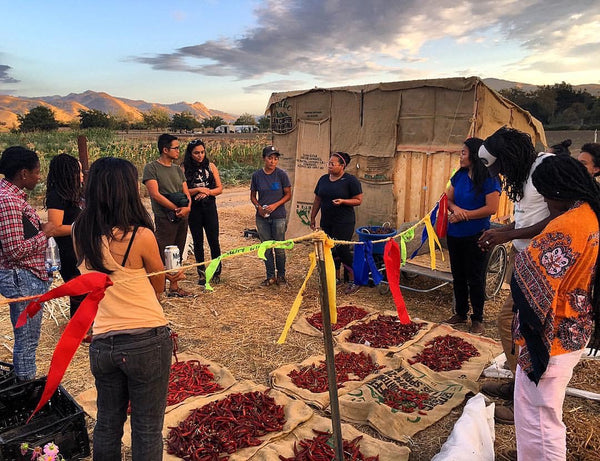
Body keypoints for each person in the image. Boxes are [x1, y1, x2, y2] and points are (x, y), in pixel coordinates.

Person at [74, 157, 171, 461]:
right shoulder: (140, 236)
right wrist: (170, 277)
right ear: (127, 190)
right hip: (146, 341)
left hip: (103, 343)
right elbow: (158, 288)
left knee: (107, 424)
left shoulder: (80, 232)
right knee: (146, 427)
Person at [511, 155, 600, 459]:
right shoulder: (591, 214)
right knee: (542, 416)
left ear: (559, 191)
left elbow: (529, 276)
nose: (547, 204)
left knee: (540, 422)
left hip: (552, 339)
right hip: (573, 330)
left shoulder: (567, 225)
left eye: (547, 195)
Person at [477, 127, 556, 424]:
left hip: (544, 266)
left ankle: (525, 400)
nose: (499, 175)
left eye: (499, 168)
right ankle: (518, 384)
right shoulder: (524, 173)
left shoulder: (545, 168)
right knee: (511, 326)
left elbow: (555, 220)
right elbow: (527, 216)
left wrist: (507, 236)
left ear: (509, 157)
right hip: (525, 262)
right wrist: (503, 231)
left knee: (521, 329)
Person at [0, 146, 55, 382]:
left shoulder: (9, 195)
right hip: (22, 277)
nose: (39, 177)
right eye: (36, 172)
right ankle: (25, 387)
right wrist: (45, 234)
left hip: (25, 276)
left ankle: (24, 379)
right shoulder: (9, 201)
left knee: (26, 336)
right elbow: (14, 251)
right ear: (23, 173)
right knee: (27, 339)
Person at [444, 138, 501, 334]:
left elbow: (492, 208)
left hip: (476, 235)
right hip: (455, 234)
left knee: (475, 277)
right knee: (458, 275)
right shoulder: (459, 176)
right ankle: (460, 313)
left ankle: (477, 318)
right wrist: (457, 210)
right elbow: (448, 199)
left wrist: (465, 215)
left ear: (475, 155)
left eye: (463, 152)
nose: (460, 156)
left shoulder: (489, 178)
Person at [142, 134, 192, 297]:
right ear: (165, 150)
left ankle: (175, 287)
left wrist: (187, 208)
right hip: (165, 218)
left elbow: (186, 192)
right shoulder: (151, 168)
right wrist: (176, 208)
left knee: (177, 250)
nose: (178, 151)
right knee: (162, 252)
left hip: (182, 215)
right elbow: (155, 194)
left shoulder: (178, 169)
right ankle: (158, 289)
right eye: (175, 148)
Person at [310, 152, 363, 295]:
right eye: (329, 163)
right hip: (327, 221)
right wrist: (313, 216)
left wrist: (343, 201)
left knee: (343, 249)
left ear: (342, 165)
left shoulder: (350, 181)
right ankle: (335, 277)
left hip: (344, 222)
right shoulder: (323, 180)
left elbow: (358, 200)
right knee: (330, 248)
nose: (329, 166)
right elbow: (317, 200)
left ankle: (353, 280)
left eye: (333, 164)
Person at [45, 153, 84, 317]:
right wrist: (83, 228)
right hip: (67, 250)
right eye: (79, 171)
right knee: (78, 289)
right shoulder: (57, 196)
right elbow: (54, 228)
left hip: (77, 246)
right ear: (69, 174)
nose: (82, 175)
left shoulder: (73, 194)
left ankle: (85, 323)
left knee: (84, 288)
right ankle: (79, 325)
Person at [182, 139, 223, 285]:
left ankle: (216, 271)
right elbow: (183, 190)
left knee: (214, 240)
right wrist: (199, 189)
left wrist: (208, 192)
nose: (200, 155)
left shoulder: (211, 167)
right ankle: (201, 273)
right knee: (198, 241)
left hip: (210, 207)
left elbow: (219, 188)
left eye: (202, 152)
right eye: (196, 153)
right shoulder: (184, 168)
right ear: (190, 154)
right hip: (194, 209)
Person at [250, 146, 292, 286]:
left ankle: (281, 276)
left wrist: (275, 205)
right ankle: (270, 276)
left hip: (278, 216)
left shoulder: (281, 175)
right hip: (262, 217)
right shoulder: (257, 176)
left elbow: (288, 195)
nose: (273, 161)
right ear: (264, 159)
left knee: (279, 247)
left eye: (275, 159)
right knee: (266, 247)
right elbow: (253, 196)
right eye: (270, 158)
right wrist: (259, 207)